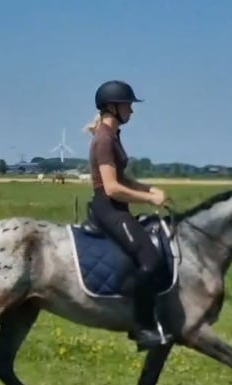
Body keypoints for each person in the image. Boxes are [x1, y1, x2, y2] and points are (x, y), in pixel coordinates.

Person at [84, 80, 174, 351]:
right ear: (112, 107)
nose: (131, 112)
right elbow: (111, 188)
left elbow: (123, 177)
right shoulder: (103, 140)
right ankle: (141, 327)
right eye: (128, 105)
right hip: (108, 208)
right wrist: (149, 198)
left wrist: (148, 188)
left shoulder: (112, 136)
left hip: (116, 207)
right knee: (149, 259)